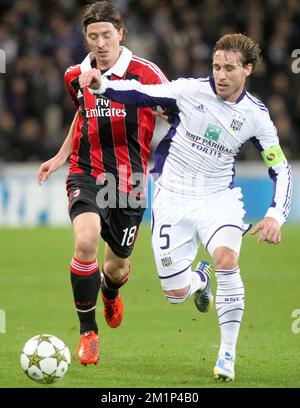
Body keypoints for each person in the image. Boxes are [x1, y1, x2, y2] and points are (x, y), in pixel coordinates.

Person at [78, 33, 293, 381]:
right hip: (172, 195)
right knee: (175, 293)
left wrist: (274, 216)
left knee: (228, 259)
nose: (220, 75)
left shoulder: (256, 116)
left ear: (248, 70)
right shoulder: (191, 90)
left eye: (229, 69)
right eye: (216, 66)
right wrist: (102, 86)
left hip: (217, 198)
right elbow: (140, 92)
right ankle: (199, 279)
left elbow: (280, 168)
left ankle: (227, 355)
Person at [37, 1, 168, 366]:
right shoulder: (74, 74)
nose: (99, 42)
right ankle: (87, 332)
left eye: (106, 35)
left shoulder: (146, 73)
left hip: (130, 179)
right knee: (85, 241)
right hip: (87, 170)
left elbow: (175, 109)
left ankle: (110, 291)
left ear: (121, 34)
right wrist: (62, 155)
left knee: (117, 268)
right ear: (86, 38)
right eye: (92, 36)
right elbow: (82, 114)